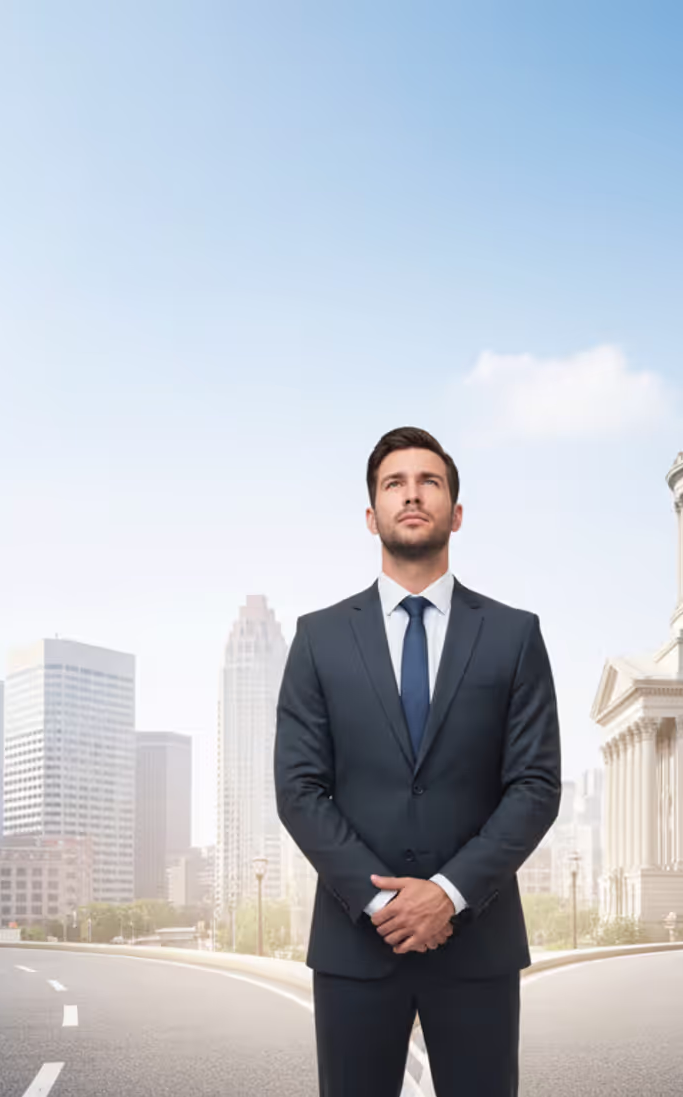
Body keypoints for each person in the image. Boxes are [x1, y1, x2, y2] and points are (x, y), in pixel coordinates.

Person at [276, 425, 562, 1096]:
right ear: (371, 514)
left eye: (429, 481)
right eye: (394, 483)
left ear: (456, 512)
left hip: (477, 942)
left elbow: (535, 784)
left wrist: (449, 893)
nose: (412, 494)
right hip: (354, 945)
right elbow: (299, 789)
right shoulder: (318, 639)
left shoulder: (514, 635)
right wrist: (383, 902)